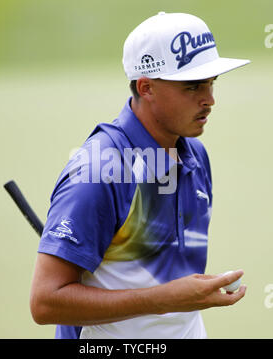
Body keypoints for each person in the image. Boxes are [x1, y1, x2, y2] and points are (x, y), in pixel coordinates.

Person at [30, 12, 250, 339]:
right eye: (193, 86)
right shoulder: (98, 171)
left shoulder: (194, 153)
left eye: (211, 83)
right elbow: (46, 303)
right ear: (146, 87)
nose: (210, 100)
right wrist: (165, 300)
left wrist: (178, 300)